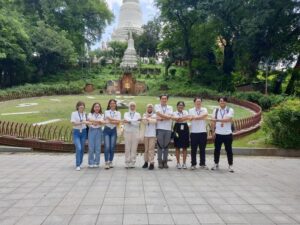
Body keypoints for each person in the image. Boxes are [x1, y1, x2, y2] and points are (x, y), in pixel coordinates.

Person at [211, 97, 234, 173]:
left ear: (226, 102)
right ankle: (216, 163)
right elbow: (213, 122)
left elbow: (228, 119)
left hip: (227, 133)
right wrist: (213, 131)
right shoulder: (216, 110)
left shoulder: (230, 110)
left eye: (223, 101)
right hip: (218, 133)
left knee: (229, 150)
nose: (222, 102)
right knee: (217, 150)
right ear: (219, 102)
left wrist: (217, 120)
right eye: (220, 101)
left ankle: (230, 165)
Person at [189, 97, 209, 170]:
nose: (198, 103)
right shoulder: (191, 110)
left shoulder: (204, 109)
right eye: (197, 101)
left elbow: (205, 115)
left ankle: (202, 164)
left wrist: (195, 117)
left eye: (200, 101)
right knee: (193, 149)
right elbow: (190, 118)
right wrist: (199, 117)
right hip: (193, 132)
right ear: (194, 102)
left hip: (202, 132)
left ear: (201, 102)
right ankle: (193, 164)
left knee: (202, 149)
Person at [155, 94, 173, 169]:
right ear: (160, 99)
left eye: (165, 99)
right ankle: (159, 162)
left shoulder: (170, 107)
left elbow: (170, 116)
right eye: (162, 98)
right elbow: (158, 113)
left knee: (166, 146)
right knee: (159, 146)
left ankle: (165, 162)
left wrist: (162, 117)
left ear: (167, 100)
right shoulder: (157, 106)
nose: (164, 100)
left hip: (168, 129)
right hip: (159, 128)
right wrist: (167, 117)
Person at [104, 99, 121, 169]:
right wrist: (114, 120)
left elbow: (118, 122)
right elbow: (109, 119)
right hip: (106, 130)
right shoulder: (106, 112)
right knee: (107, 146)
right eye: (111, 103)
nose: (112, 104)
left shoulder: (118, 113)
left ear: (115, 104)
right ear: (109, 104)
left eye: (114, 103)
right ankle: (106, 162)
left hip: (114, 130)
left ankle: (111, 161)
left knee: (112, 147)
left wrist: (110, 120)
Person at [71, 101, 88, 171]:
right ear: (77, 107)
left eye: (83, 106)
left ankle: (80, 162)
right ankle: (77, 164)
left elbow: (87, 122)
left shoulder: (85, 114)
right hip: (76, 132)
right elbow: (73, 123)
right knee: (79, 148)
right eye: (80, 106)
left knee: (82, 149)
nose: (82, 107)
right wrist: (81, 122)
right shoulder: (74, 113)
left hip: (83, 132)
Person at [172, 101, 190, 169]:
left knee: (185, 147)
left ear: (184, 106)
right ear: (177, 106)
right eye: (179, 105)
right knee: (177, 147)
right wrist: (182, 118)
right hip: (177, 129)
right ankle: (178, 163)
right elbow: (175, 119)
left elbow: (187, 118)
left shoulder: (186, 112)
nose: (180, 106)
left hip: (185, 129)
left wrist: (179, 119)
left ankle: (184, 163)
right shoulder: (174, 113)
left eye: (182, 105)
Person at [87, 102, 105, 168]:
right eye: (95, 107)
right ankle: (91, 162)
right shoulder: (90, 114)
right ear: (93, 108)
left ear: (100, 108)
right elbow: (89, 120)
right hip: (91, 130)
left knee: (98, 147)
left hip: (99, 130)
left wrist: (93, 122)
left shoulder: (102, 115)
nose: (97, 108)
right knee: (91, 147)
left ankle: (97, 162)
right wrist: (97, 122)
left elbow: (102, 122)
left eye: (98, 107)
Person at [123, 102, 141, 168]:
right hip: (127, 132)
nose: (132, 107)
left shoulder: (138, 114)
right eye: (131, 106)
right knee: (127, 147)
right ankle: (127, 162)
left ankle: (133, 161)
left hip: (135, 132)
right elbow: (126, 119)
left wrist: (129, 121)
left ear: (135, 107)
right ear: (129, 106)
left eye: (133, 106)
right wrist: (134, 121)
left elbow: (138, 123)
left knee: (134, 147)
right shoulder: (126, 113)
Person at [141, 104, 157, 170]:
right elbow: (144, 122)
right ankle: (146, 162)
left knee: (151, 149)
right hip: (145, 135)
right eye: (148, 107)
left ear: (152, 108)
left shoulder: (155, 115)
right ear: (147, 108)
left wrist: (148, 119)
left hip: (152, 134)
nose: (149, 108)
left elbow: (155, 121)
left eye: (151, 107)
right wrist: (148, 119)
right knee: (146, 149)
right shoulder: (144, 114)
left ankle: (152, 163)